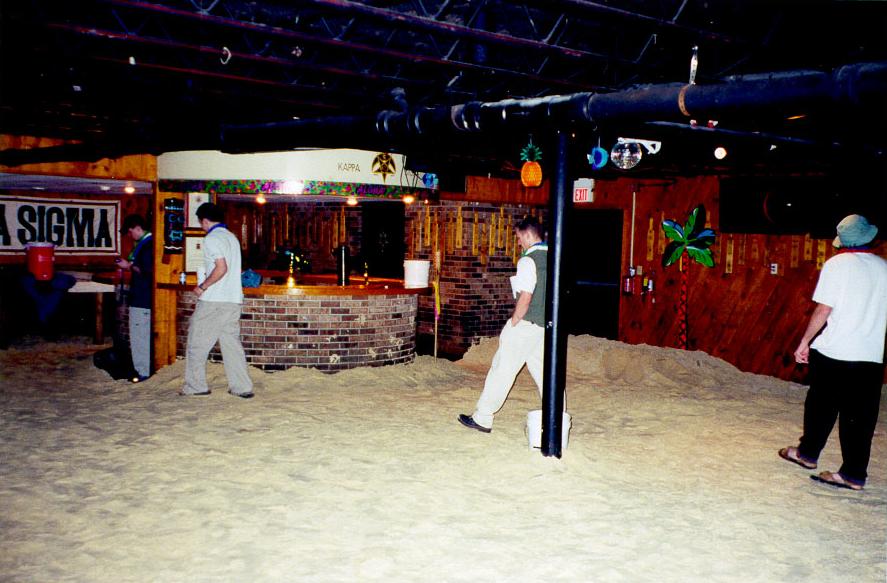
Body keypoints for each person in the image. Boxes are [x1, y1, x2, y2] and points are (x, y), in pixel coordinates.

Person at [779, 214, 887, 491]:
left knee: (821, 406)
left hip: (835, 352)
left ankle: (807, 454)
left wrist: (804, 341)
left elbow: (824, 309)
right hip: (870, 356)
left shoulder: (836, 265)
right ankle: (853, 474)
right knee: (860, 417)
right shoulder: (884, 267)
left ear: (843, 242)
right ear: (869, 238)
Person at [459, 215, 548, 433]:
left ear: (528, 235)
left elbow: (526, 296)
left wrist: (515, 320)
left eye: (518, 237)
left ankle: (483, 417)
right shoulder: (553, 258)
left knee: (502, 368)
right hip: (545, 325)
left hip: (526, 323)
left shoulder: (528, 261)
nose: (518, 242)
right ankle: (558, 415)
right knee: (547, 373)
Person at [181, 202, 254, 398]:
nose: (201, 226)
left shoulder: (212, 238)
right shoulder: (232, 237)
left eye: (201, 223)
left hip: (214, 300)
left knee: (196, 343)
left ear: (205, 220)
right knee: (231, 345)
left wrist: (202, 286)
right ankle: (242, 387)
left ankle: (195, 386)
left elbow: (221, 268)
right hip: (233, 300)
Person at [116, 214, 154, 382]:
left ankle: (142, 372)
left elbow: (145, 270)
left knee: (139, 336)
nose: (130, 236)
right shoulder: (147, 244)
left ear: (138, 228)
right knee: (142, 335)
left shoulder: (147, 245)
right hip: (144, 297)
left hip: (142, 297)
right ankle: (144, 370)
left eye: (130, 232)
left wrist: (128, 266)